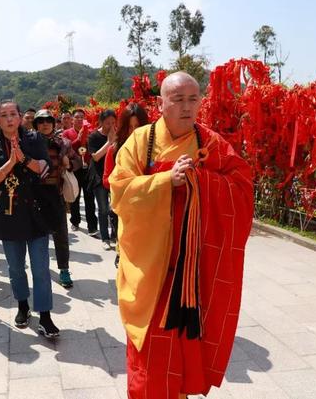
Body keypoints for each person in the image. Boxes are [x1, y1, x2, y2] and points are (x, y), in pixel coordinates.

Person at [109, 72, 254, 398]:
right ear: (160, 103)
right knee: (150, 357)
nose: (187, 107)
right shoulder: (140, 141)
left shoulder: (212, 143)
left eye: (193, 99)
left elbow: (242, 186)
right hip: (151, 269)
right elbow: (118, 192)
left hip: (192, 272)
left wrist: (201, 181)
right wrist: (164, 181)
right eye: (177, 100)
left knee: (185, 355)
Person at [0, 99, 60, 338]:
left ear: (19, 117)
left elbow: (43, 167)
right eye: (3, 115)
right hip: (7, 214)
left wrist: (23, 158)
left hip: (35, 212)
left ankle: (45, 316)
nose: (9, 119)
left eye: (13, 114)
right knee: (16, 268)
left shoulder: (34, 139)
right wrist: (10, 162)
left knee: (40, 268)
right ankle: (23, 306)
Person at [33, 110, 81, 288]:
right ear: (36, 125)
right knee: (38, 235)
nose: (45, 124)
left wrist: (70, 163)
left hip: (56, 192)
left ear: (53, 123)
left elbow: (79, 162)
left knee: (61, 234)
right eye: (40, 121)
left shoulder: (64, 143)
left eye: (48, 120)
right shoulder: (30, 143)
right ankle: (41, 268)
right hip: (35, 194)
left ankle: (64, 269)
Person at [103, 103, 149, 268]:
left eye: (138, 126)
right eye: (130, 127)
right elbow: (106, 180)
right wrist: (126, 181)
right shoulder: (114, 150)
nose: (134, 132)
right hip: (123, 209)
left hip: (148, 209)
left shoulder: (153, 150)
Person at [62, 109, 98, 236]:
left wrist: (86, 138)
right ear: (72, 119)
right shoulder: (66, 133)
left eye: (81, 117)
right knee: (75, 196)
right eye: (76, 117)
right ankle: (75, 221)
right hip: (74, 169)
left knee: (89, 198)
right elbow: (67, 147)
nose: (79, 119)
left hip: (87, 169)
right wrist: (78, 138)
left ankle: (92, 226)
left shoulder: (91, 131)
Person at [87, 109, 117, 250]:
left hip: (114, 175)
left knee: (115, 208)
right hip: (99, 176)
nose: (110, 125)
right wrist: (110, 142)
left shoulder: (118, 134)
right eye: (107, 123)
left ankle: (114, 235)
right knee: (103, 208)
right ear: (101, 122)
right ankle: (105, 238)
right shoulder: (94, 136)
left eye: (113, 122)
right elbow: (96, 156)